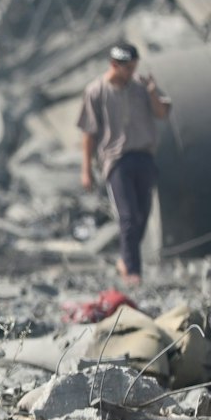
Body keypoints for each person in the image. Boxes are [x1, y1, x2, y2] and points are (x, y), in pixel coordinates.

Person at [78, 41, 172, 287]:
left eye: (134, 67)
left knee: (142, 215)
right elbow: (88, 133)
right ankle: (132, 270)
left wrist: (152, 92)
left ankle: (125, 259)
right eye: (127, 68)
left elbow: (162, 113)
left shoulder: (141, 86)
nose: (131, 72)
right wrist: (86, 169)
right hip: (116, 160)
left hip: (144, 156)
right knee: (128, 216)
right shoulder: (96, 91)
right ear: (114, 65)